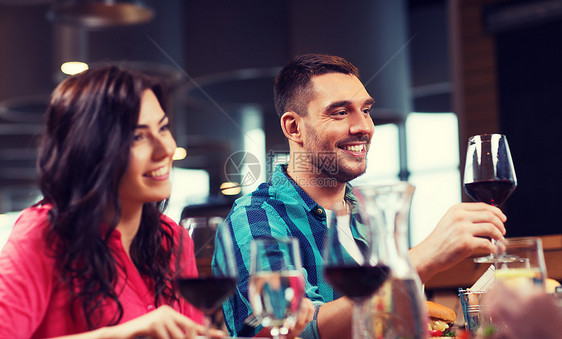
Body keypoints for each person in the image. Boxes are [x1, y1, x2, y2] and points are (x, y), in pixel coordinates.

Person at [212, 54, 507, 339]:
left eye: (365, 110)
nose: (363, 127)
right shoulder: (255, 218)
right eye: (340, 112)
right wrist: (416, 262)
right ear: (294, 127)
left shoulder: (366, 212)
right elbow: (294, 330)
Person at [0, 66, 223, 338]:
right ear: (91, 149)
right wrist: (120, 334)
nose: (166, 148)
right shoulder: (45, 233)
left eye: (163, 128)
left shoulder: (173, 239)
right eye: (137, 136)